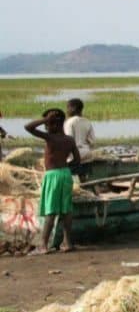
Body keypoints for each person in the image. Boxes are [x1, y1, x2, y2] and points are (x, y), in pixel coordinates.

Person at [25, 108, 80, 254]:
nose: (45, 127)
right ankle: (68, 243)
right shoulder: (69, 140)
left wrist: (45, 119)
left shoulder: (51, 138)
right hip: (66, 174)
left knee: (51, 210)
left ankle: (43, 245)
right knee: (66, 210)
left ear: (54, 124)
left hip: (53, 176)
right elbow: (77, 160)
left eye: (47, 125)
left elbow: (28, 127)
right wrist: (65, 167)